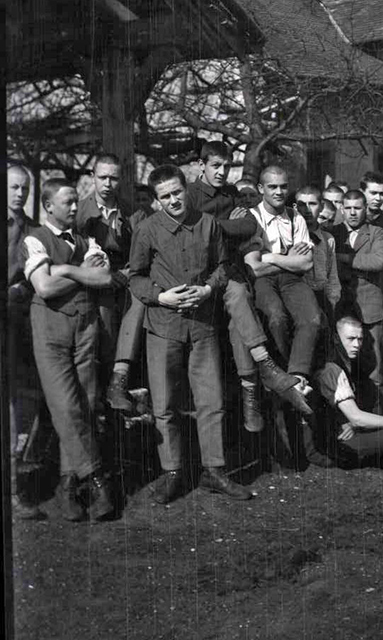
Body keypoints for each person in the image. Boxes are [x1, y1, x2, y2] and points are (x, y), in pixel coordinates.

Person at [129, 164, 252, 504]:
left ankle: (214, 470)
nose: (173, 200)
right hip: (163, 327)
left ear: (186, 188)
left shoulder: (208, 224)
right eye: (165, 196)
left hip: (202, 326)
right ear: (156, 200)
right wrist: (160, 296)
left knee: (210, 400)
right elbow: (135, 277)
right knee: (165, 403)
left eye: (177, 192)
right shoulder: (147, 229)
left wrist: (209, 290)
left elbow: (222, 267)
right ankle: (172, 472)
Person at [187, 142, 307, 433]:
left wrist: (212, 225)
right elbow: (194, 233)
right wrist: (221, 225)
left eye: (227, 166)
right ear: (201, 165)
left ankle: (251, 389)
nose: (222, 171)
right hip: (197, 273)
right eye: (216, 165)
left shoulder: (230, 194)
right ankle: (261, 370)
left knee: (239, 313)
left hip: (227, 270)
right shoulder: (189, 195)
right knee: (239, 298)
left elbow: (248, 228)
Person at [22, 178, 115, 521]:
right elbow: (44, 287)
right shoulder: (35, 238)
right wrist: (80, 273)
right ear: (48, 206)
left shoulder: (86, 239)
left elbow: (105, 277)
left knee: (86, 405)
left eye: (76, 201)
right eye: (68, 203)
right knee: (66, 406)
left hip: (85, 327)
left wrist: (64, 269)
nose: (76, 208)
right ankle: (97, 479)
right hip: (50, 330)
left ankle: (67, 485)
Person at [245, 166, 322, 396]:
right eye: (272, 187)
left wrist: (273, 256)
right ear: (261, 189)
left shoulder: (295, 215)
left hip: (291, 279)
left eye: (283, 187)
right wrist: (289, 258)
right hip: (264, 280)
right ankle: (280, 371)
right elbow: (255, 268)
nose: (279, 192)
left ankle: (298, 375)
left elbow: (306, 263)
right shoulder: (252, 217)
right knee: (276, 317)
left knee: (312, 318)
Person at [76, 153, 144, 414]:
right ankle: (104, 390)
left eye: (113, 178)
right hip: (91, 283)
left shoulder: (133, 213)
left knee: (138, 300)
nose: (107, 184)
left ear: (121, 180)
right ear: (92, 177)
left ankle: (119, 378)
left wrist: (127, 273)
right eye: (102, 177)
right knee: (104, 312)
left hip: (124, 279)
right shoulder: (80, 211)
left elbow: (143, 252)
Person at [313, 316, 383, 467]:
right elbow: (357, 417)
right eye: (350, 339)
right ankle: (367, 459)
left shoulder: (346, 362)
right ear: (336, 338)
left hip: (337, 430)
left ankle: (375, 456)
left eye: (360, 339)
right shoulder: (332, 368)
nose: (356, 345)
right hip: (333, 443)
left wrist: (349, 423)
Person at [330, 190, 383, 412]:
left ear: (365, 209)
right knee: (341, 366)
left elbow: (378, 261)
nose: (353, 213)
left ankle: (378, 419)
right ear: (342, 209)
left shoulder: (376, 233)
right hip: (340, 305)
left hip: (369, 307)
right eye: (348, 208)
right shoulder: (333, 232)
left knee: (374, 366)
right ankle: (348, 420)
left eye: (357, 208)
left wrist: (342, 258)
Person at [7, 163, 43, 520]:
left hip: (16, 323)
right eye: (14, 188)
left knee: (16, 408)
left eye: (24, 189)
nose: (20, 194)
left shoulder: (33, 232)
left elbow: (36, 277)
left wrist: (21, 288)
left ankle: (14, 492)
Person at [294, 185, 341, 323]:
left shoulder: (328, 239)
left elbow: (332, 275)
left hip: (323, 296)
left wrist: (332, 300)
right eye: (302, 205)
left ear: (321, 207)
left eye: (312, 204)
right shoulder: (290, 235)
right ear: (295, 207)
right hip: (299, 297)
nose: (307, 210)